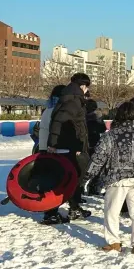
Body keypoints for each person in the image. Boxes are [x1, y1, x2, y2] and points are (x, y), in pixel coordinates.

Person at [83, 102, 134, 253]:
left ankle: (114, 242)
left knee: (112, 212)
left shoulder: (111, 136)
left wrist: (87, 175)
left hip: (117, 179)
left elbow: (98, 158)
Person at [42, 74, 93, 225]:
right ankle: (51, 212)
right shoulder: (73, 100)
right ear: (83, 86)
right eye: (87, 87)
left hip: (67, 147)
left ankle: (73, 208)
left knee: (70, 179)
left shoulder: (69, 98)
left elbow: (75, 126)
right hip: (64, 148)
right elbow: (60, 122)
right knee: (65, 180)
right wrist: (53, 144)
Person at [35, 85, 66, 154]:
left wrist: (42, 149)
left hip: (49, 148)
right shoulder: (61, 110)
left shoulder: (48, 109)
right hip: (59, 148)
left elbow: (43, 130)